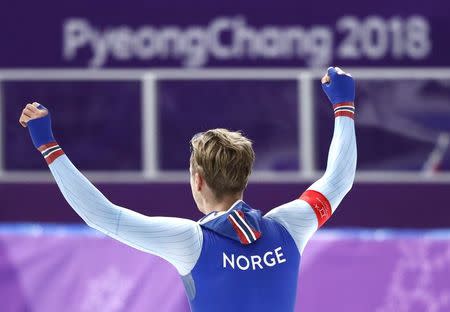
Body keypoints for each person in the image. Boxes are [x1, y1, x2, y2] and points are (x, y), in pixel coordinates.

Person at [19, 67, 357, 312]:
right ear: (244, 175)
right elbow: (338, 179)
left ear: (198, 180)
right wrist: (344, 106)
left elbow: (102, 215)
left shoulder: (192, 242)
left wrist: (49, 147)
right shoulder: (288, 227)